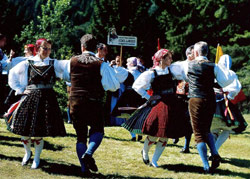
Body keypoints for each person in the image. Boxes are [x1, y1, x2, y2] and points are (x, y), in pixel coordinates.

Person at [7, 38, 70, 169]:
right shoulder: (28, 63)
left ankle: (36, 158)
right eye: (44, 48)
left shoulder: (54, 63)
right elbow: (12, 73)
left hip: (47, 100)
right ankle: (27, 152)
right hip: (31, 97)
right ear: (38, 48)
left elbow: (70, 66)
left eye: (49, 49)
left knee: (39, 132)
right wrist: (20, 89)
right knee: (24, 131)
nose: (47, 51)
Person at [122, 49, 190, 167]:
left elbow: (184, 70)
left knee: (165, 135)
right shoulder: (151, 73)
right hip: (159, 105)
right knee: (154, 134)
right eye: (169, 58)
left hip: (172, 105)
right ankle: (145, 153)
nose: (171, 60)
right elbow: (136, 86)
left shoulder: (171, 70)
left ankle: (154, 161)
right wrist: (148, 97)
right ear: (161, 59)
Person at [182, 41, 240, 173]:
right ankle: (215, 154)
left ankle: (205, 166)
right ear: (207, 52)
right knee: (207, 130)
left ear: (195, 52)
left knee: (198, 134)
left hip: (195, 99)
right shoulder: (214, 66)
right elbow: (224, 81)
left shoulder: (188, 65)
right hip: (210, 99)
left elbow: (184, 77)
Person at [69, 34, 121, 176]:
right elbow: (113, 86)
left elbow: (67, 79)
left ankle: (84, 169)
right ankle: (89, 153)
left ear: (82, 47)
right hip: (93, 102)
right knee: (98, 130)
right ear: (95, 48)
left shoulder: (72, 61)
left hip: (75, 103)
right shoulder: (101, 64)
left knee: (80, 136)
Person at [210, 54, 246, 152]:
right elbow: (236, 88)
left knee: (214, 129)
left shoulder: (213, 71)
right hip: (223, 102)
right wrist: (229, 96)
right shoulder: (231, 73)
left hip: (213, 101)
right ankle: (214, 151)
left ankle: (213, 151)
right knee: (227, 129)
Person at [175, 45, 195, 153]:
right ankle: (175, 135)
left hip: (192, 95)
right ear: (188, 54)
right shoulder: (179, 65)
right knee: (176, 117)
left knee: (189, 121)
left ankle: (186, 146)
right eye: (193, 52)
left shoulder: (198, 65)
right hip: (179, 95)